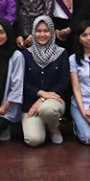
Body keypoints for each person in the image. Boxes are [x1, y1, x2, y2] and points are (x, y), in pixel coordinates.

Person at [21, 16, 70, 147]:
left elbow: (64, 82)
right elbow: (23, 83)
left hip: (54, 101)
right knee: (34, 140)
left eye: (46, 31)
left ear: (52, 32)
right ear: (33, 32)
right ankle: (43, 124)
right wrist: (41, 93)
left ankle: (53, 128)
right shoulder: (26, 54)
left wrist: (42, 99)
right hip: (30, 104)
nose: (42, 34)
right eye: (38, 31)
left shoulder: (62, 53)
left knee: (47, 110)